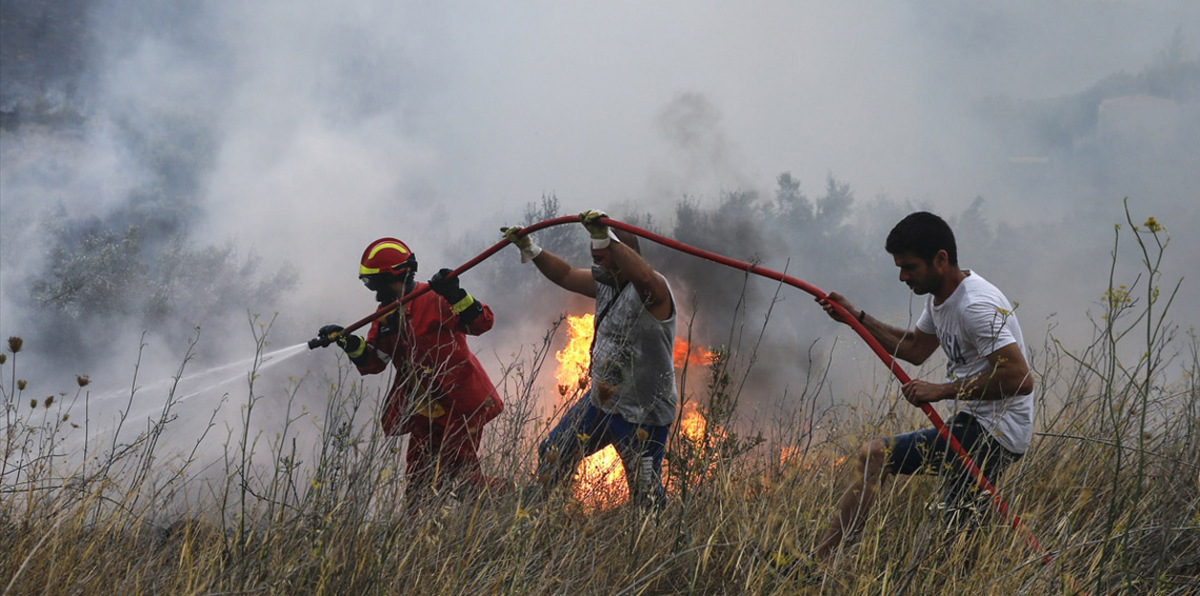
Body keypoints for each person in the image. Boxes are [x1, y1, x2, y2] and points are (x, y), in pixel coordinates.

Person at [813, 211, 1034, 563]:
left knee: (878, 458)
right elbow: (915, 349)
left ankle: (821, 563)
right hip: (971, 425)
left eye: (910, 267)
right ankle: (823, 562)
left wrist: (942, 390)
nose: (902, 276)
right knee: (954, 540)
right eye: (899, 267)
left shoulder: (975, 305)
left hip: (996, 433)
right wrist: (857, 318)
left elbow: (1020, 379)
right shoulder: (940, 300)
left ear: (941, 259)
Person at [501, 211, 677, 510]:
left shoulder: (653, 291)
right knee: (554, 452)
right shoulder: (606, 283)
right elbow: (566, 274)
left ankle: (659, 541)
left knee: (645, 493)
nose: (597, 263)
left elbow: (644, 276)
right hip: (601, 403)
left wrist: (608, 237)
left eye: (604, 255)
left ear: (624, 256)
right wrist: (531, 249)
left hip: (642, 414)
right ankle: (547, 518)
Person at [315, 237, 505, 502]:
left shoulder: (436, 298)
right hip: (423, 413)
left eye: (376, 284)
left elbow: (482, 323)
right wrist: (348, 342)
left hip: (460, 405)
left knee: (461, 480)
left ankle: (525, 501)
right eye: (369, 284)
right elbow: (375, 362)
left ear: (398, 276)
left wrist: (456, 294)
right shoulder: (385, 315)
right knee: (418, 487)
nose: (375, 292)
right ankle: (417, 537)